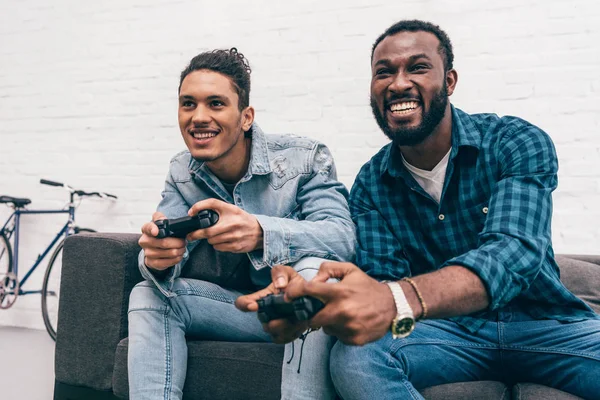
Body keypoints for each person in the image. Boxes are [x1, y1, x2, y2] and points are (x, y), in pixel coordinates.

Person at [237, 20, 600, 400]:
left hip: (547, 325)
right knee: (357, 357)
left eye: (417, 67)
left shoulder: (515, 142)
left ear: (450, 81)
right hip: (448, 334)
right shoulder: (371, 184)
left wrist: (397, 298)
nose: (398, 83)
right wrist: (315, 302)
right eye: (384, 72)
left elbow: (513, 253)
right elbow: (382, 281)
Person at [127, 47, 355, 400]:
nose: (198, 117)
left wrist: (261, 232)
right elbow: (161, 245)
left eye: (215, 103)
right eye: (188, 104)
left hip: (303, 313)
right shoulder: (181, 171)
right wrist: (156, 259)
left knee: (312, 272)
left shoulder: (305, 158)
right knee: (148, 292)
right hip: (243, 311)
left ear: (246, 117)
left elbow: (343, 239)